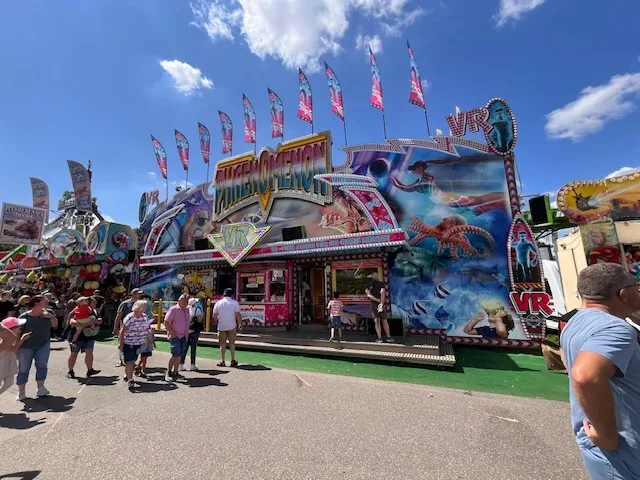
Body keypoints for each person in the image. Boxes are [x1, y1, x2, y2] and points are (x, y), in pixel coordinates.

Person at [560, 263, 640, 479]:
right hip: (624, 455)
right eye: (637, 287)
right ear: (623, 294)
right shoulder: (616, 329)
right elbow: (585, 376)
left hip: (605, 453)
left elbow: (568, 361)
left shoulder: (575, 322)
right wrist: (606, 435)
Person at [16, 295, 58, 400]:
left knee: (42, 366)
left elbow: (55, 325)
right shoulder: (24, 316)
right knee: (23, 368)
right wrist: (16, 346)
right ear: (36, 303)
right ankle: (21, 392)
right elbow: (16, 332)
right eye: (44, 300)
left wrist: (50, 317)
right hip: (26, 346)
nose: (47, 301)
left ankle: (41, 388)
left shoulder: (48, 313)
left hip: (43, 344)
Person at [66, 296, 102, 379]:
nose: (95, 304)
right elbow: (72, 322)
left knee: (89, 353)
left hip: (89, 336)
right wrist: (86, 324)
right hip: (78, 336)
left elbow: (98, 320)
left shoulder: (94, 311)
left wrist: (97, 321)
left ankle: (90, 370)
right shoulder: (78, 309)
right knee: (74, 354)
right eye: (93, 302)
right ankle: (70, 371)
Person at [118, 300, 150, 390]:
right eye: (144, 306)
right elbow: (122, 331)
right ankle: (130, 380)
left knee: (133, 361)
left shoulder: (145, 316)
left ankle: (127, 374)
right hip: (129, 343)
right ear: (139, 307)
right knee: (129, 361)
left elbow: (147, 328)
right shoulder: (130, 317)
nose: (146, 308)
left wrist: (148, 336)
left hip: (139, 343)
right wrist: (121, 343)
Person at [0, 317, 31, 396]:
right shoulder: (3, 340)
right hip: (2, 364)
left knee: (9, 382)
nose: (20, 328)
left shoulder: (14, 337)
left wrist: (19, 337)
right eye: (18, 327)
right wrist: (22, 339)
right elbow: (12, 349)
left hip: (8, 363)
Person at [113, 289, 144, 366]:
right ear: (133, 294)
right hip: (125, 328)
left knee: (134, 346)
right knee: (123, 344)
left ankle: (131, 361)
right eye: (138, 293)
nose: (140, 295)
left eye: (140, 294)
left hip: (136, 330)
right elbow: (118, 316)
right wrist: (115, 328)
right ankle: (122, 360)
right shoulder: (125, 304)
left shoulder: (140, 304)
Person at [163, 294, 190, 382]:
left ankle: (175, 372)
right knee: (175, 354)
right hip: (175, 336)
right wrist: (172, 333)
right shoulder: (173, 309)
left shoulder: (187, 310)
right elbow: (166, 322)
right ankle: (168, 371)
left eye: (187, 301)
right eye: (184, 300)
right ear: (179, 301)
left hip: (184, 336)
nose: (185, 302)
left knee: (179, 355)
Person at [212, 288, 242, 367]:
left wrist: (219, 320)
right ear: (232, 295)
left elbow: (214, 315)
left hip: (221, 326)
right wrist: (240, 324)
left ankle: (222, 360)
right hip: (232, 326)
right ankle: (232, 360)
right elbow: (238, 315)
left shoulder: (218, 303)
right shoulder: (235, 303)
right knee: (232, 343)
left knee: (222, 344)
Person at [365, 272, 393, 343]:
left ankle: (380, 338)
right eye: (375, 275)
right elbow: (382, 292)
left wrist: (379, 301)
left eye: (376, 275)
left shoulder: (369, 284)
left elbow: (369, 295)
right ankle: (388, 337)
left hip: (374, 303)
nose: (376, 276)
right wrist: (381, 302)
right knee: (383, 320)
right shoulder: (380, 284)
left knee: (378, 320)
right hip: (379, 303)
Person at [181, 298, 204, 371]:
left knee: (185, 347)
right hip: (194, 330)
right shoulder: (197, 310)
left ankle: (181, 364)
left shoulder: (186, 309)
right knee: (193, 348)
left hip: (187, 330)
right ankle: (192, 365)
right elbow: (200, 320)